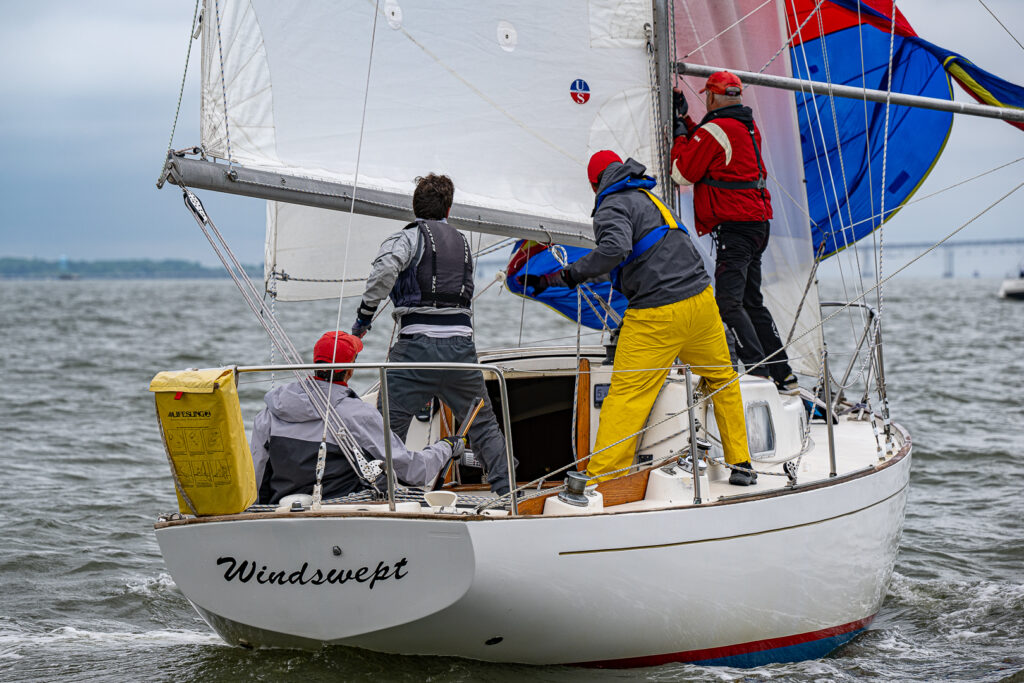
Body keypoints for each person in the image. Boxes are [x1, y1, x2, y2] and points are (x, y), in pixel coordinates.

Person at [522, 151, 757, 486]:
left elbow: (613, 251)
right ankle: (742, 464)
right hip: (702, 303)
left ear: (595, 184)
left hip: (657, 315)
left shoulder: (612, 205)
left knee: (628, 393)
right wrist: (558, 279)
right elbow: (646, 252)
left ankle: (601, 478)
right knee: (722, 377)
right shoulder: (650, 199)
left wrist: (570, 276)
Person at [351, 173, 512, 495]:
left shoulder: (406, 239)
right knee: (483, 426)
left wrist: (363, 319)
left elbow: (383, 271)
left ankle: (381, 492)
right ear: (448, 210)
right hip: (460, 354)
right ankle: (507, 490)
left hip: (416, 352)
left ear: (415, 207)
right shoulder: (463, 243)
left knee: (386, 427)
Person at [670, 70, 798, 393]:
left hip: (737, 230)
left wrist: (680, 134)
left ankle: (758, 374)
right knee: (751, 302)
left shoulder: (715, 130)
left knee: (728, 303)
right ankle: (784, 375)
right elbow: (712, 146)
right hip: (756, 226)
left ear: (711, 97)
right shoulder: (745, 126)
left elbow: (681, 173)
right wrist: (687, 121)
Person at [250, 331, 464, 504]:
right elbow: (412, 471)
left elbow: (257, 475)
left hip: (282, 511)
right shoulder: (358, 415)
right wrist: (446, 447)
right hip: (343, 515)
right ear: (350, 370)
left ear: (315, 363)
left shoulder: (270, 413)